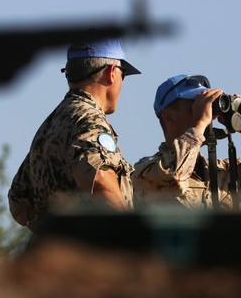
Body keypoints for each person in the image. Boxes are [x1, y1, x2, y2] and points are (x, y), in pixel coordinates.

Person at [8, 37, 141, 232]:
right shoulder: (88, 119)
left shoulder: (50, 125)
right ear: (112, 73)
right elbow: (100, 178)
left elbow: (19, 201)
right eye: (124, 74)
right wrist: (133, 237)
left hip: (54, 254)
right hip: (89, 255)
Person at [131, 74, 241, 210]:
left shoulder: (227, 174)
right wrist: (198, 125)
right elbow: (174, 178)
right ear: (169, 116)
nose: (207, 113)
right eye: (195, 105)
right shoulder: (145, 172)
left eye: (208, 105)